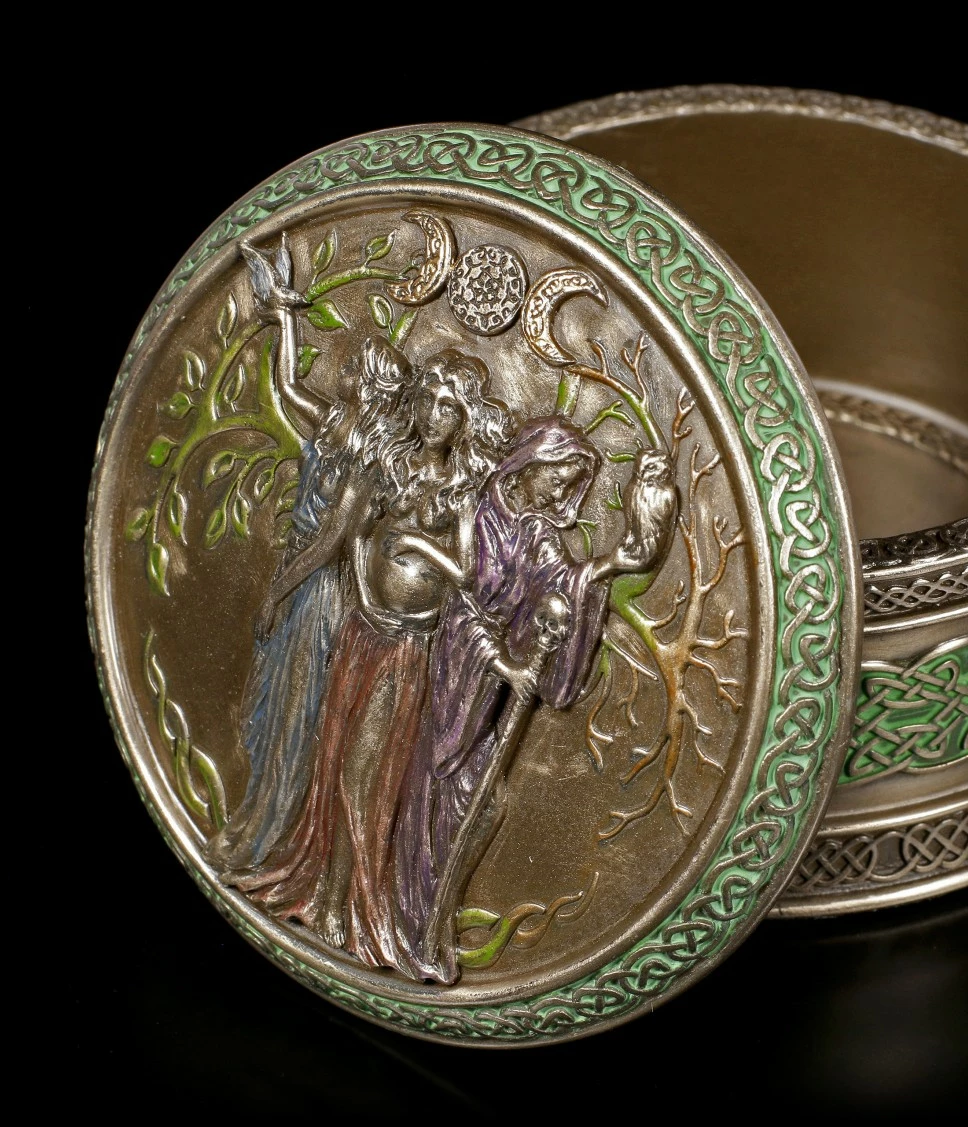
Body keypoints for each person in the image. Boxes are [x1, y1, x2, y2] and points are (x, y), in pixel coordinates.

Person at [232, 343, 512, 972]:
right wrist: (346, 588)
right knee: (335, 760)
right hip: (363, 633)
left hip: (407, 650)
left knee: (365, 774)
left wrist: (414, 543)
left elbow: (467, 572)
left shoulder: (461, 490)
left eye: (451, 407)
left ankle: (344, 905)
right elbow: (344, 533)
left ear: (465, 420)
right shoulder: (386, 461)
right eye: (430, 399)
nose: (436, 414)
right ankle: (323, 896)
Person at [394, 416, 675, 982]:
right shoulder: (478, 510)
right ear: (530, 465)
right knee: (450, 790)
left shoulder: (537, 532)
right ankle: (413, 914)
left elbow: (566, 579)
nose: (558, 493)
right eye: (556, 478)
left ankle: (433, 918)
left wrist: (618, 561)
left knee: (485, 802)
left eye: (568, 484)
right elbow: (465, 603)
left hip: (493, 684)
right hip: (456, 673)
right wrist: (502, 662)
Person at [207, 245, 382, 873]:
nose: (345, 371)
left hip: (319, 592)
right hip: (294, 574)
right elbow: (285, 387)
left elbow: (332, 542)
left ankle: (269, 836)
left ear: (372, 389)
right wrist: (283, 318)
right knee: (272, 705)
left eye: (356, 369)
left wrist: (278, 591)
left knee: (295, 717)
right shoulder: (332, 425)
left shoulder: (365, 462)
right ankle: (253, 818)